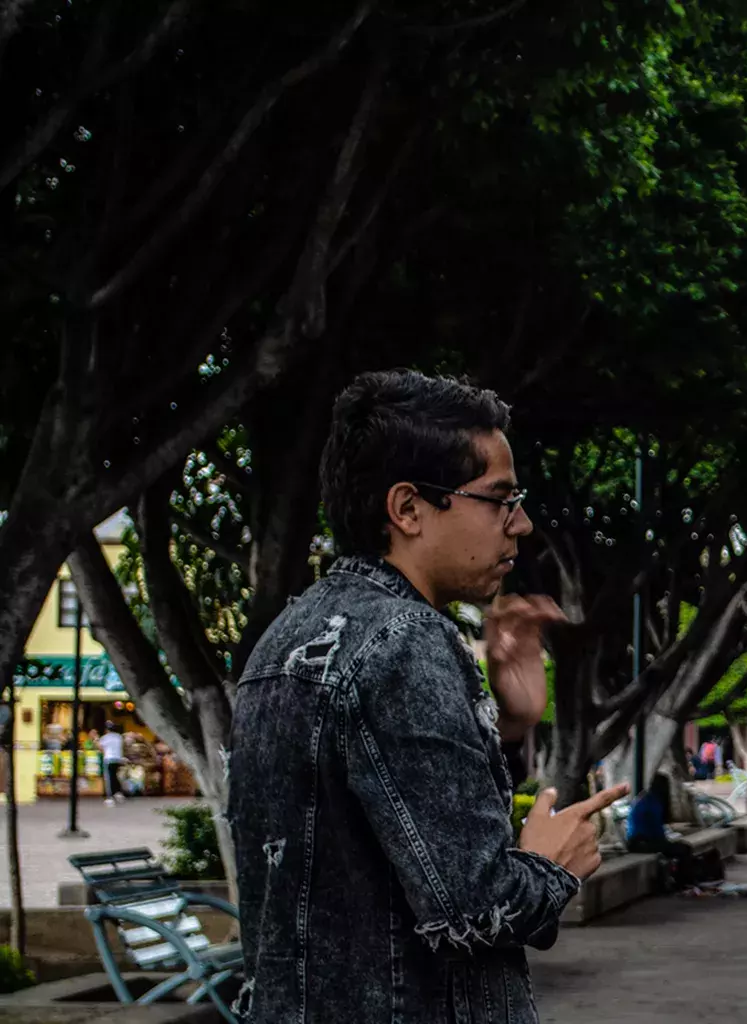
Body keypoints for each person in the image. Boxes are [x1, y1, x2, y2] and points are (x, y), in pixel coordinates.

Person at [227, 370, 629, 1024]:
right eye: (500, 498)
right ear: (408, 508)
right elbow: (472, 908)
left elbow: (369, 839)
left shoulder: (286, 640)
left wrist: (508, 730)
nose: (521, 524)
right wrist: (553, 867)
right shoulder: (407, 641)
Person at [97, 723, 124, 805]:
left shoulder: (105, 738)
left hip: (109, 759)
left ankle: (109, 797)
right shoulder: (119, 737)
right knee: (114, 776)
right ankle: (118, 793)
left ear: (106, 730)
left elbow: (100, 747)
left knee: (108, 778)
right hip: (117, 759)